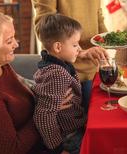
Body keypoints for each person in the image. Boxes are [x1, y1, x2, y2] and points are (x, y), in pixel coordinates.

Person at [32, 13, 87, 154]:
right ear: (58, 47)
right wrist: (57, 148)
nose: (79, 49)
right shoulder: (57, 73)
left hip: (73, 130)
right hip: (69, 137)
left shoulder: (56, 65)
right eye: (75, 44)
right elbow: (43, 115)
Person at [0, 10, 41, 154]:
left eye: (14, 38)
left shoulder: (4, 66)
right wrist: (46, 112)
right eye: (9, 41)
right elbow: (10, 150)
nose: (16, 44)